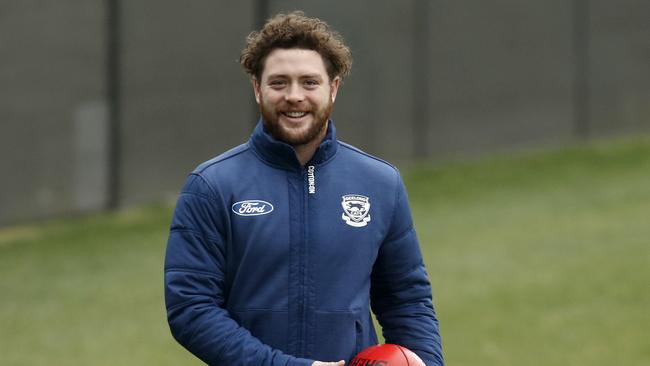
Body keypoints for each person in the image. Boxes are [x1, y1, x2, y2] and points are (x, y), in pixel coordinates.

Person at [164, 11, 444, 366]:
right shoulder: (212, 186)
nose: (294, 96)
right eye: (279, 83)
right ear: (257, 89)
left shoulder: (379, 183)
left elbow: (408, 301)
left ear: (334, 88)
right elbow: (191, 309)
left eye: (309, 82)